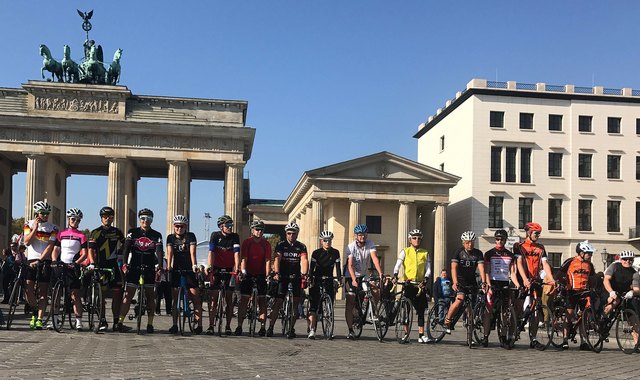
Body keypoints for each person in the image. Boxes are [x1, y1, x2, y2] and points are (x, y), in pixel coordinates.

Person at [116, 208, 163, 333]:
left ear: (152, 220)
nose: (145, 221)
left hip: (149, 267)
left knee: (150, 295)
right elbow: (126, 248)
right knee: (128, 295)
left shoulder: (156, 235)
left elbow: (159, 251)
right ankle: (120, 321)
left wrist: (159, 265)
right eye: (143, 218)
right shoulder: (132, 232)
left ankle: (150, 323)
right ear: (139, 219)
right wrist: (125, 263)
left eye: (148, 219)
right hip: (134, 266)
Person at [514, 222, 555, 349]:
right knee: (518, 308)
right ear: (529, 233)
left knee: (536, 309)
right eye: (536, 233)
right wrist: (525, 279)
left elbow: (545, 264)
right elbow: (519, 263)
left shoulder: (540, 248)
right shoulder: (519, 246)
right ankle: (514, 329)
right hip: (523, 279)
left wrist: (552, 279)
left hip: (535, 279)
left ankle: (533, 338)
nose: (538, 235)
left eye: (539, 233)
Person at [267, 222, 308, 338]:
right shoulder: (281, 245)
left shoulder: (301, 246)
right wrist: (276, 272)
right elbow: (277, 259)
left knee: (295, 305)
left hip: (296, 276)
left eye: (293, 233)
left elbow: (304, 260)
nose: (291, 236)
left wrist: (304, 273)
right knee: (278, 302)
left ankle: (291, 328)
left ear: (297, 234)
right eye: (289, 233)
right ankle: (271, 327)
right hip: (283, 276)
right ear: (286, 234)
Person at [87, 206, 125, 331]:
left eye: (110, 217)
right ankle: (102, 320)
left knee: (117, 294)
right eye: (105, 217)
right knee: (101, 295)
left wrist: (123, 259)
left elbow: (125, 245)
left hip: (114, 266)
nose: (107, 219)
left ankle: (116, 321)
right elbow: (90, 250)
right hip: (100, 267)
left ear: (113, 218)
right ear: (101, 218)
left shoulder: (117, 231)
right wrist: (92, 263)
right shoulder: (95, 232)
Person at [344, 224, 384, 339]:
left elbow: (375, 258)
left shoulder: (370, 244)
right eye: (360, 235)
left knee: (375, 290)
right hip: (350, 275)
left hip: (363, 275)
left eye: (364, 235)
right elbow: (350, 265)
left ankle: (374, 312)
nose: (362, 237)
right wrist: (353, 279)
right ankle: (350, 330)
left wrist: (380, 273)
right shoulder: (350, 247)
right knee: (350, 302)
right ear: (356, 236)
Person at [23, 201, 58, 330]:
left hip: (44, 261)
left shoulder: (53, 228)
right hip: (30, 259)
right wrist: (35, 228)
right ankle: (34, 310)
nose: (45, 215)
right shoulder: (29, 224)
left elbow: (50, 246)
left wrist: (40, 260)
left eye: (47, 213)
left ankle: (39, 318)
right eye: (43, 213)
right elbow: (27, 242)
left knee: (43, 292)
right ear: (37, 213)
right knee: (28, 290)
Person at [482, 229, 520, 347]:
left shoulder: (510, 255)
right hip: (493, 283)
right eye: (497, 239)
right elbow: (487, 271)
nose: (499, 241)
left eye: (502, 239)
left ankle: (503, 337)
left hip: (504, 283)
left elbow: (512, 273)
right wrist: (488, 285)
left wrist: (517, 283)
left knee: (504, 312)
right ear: (495, 240)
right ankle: (485, 336)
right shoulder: (489, 254)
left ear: (505, 240)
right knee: (488, 310)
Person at [392, 229, 431, 343]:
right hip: (408, 283)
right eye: (414, 238)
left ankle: (421, 335)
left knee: (420, 310)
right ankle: (406, 334)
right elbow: (398, 265)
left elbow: (428, 268)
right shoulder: (405, 251)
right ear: (410, 240)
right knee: (406, 310)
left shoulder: (425, 252)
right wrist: (395, 275)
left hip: (419, 284)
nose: (417, 240)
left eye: (419, 238)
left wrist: (426, 279)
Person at [444, 230, 485, 336]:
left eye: (471, 242)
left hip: (471, 280)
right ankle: (447, 320)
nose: (470, 244)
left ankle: (470, 328)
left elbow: (481, 269)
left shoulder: (478, 253)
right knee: (459, 300)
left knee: (472, 306)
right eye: (467, 242)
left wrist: (484, 282)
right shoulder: (458, 252)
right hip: (460, 279)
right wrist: (455, 282)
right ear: (463, 243)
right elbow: (453, 268)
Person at [53, 208, 89, 331]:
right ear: (68, 219)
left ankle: (78, 320)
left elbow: (84, 254)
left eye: (78, 220)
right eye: (73, 219)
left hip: (73, 267)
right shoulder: (61, 234)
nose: (75, 221)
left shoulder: (81, 235)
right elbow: (56, 250)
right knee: (57, 294)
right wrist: (54, 260)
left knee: (75, 295)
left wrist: (76, 263)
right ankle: (55, 318)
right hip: (61, 265)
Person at [166, 215, 202, 334]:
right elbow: (170, 253)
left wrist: (194, 265)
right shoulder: (170, 238)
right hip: (176, 268)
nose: (179, 228)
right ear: (174, 226)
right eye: (177, 226)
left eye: (181, 226)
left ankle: (199, 324)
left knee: (195, 297)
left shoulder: (190, 236)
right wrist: (169, 266)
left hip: (189, 269)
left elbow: (193, 253)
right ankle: (175, 324)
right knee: (175, 299)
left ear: (185, 227)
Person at [557, 240, 595, 350]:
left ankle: (583, 341)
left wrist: (593, 288)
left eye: (591, 253)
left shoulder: (590, 265)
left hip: (584, 291)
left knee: (584, 317)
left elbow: (592, 278)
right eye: (589, 253)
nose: (590, 255)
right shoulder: (570, 261)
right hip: (572, 291)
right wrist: (565, 284)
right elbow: (559, 274)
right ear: (581, 253)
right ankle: (565, 339)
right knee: (569, 315)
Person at [235, 220, 271, 336]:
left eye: (261, 230)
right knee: (244, 300)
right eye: (257, 229)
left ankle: (262, 327)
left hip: (261, 273)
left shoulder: (266, 244)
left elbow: (267, 260)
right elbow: (244, 258)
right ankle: (239, 326)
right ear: (252, 230)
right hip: (249, 272)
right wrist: (244, 271)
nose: (259, 232)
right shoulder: (247, 242)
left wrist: (267, 275)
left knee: (262, 300)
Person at [206, 214, 240, 335]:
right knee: (213, 299)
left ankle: (228, 326)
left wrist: (237, 268)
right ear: (221, 226)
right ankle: (210, 325)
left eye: (231, 225)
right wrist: (210, 266)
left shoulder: (235, 237)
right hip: (217, 268)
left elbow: (236, 254)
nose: (230, 227)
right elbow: (211, 252)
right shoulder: (215, 235)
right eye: (228, 225)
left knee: (229, 299)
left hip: (229, 268)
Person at [307, 230, 341, 339]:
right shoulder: (316, 253)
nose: (327, 242)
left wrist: (339, 278)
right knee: (314, 305)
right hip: (317, 278)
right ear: (321, 241)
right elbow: (311, 268)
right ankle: (312, 329)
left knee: (330, 301)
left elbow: (338, 267)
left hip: (329, 278)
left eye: (329, 240)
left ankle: (329, 326)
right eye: (325, 240)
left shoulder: (335, 252)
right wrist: (311, 278)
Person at [1, 235, 20, 303]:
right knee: (5, 287)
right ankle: (8, 298)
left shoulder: (10, 257)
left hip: (9, 274)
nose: (2, 252)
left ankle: (9, 299)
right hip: (6, 273)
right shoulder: (7, 258)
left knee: (8, 286)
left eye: (3, 251)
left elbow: (14, 263)